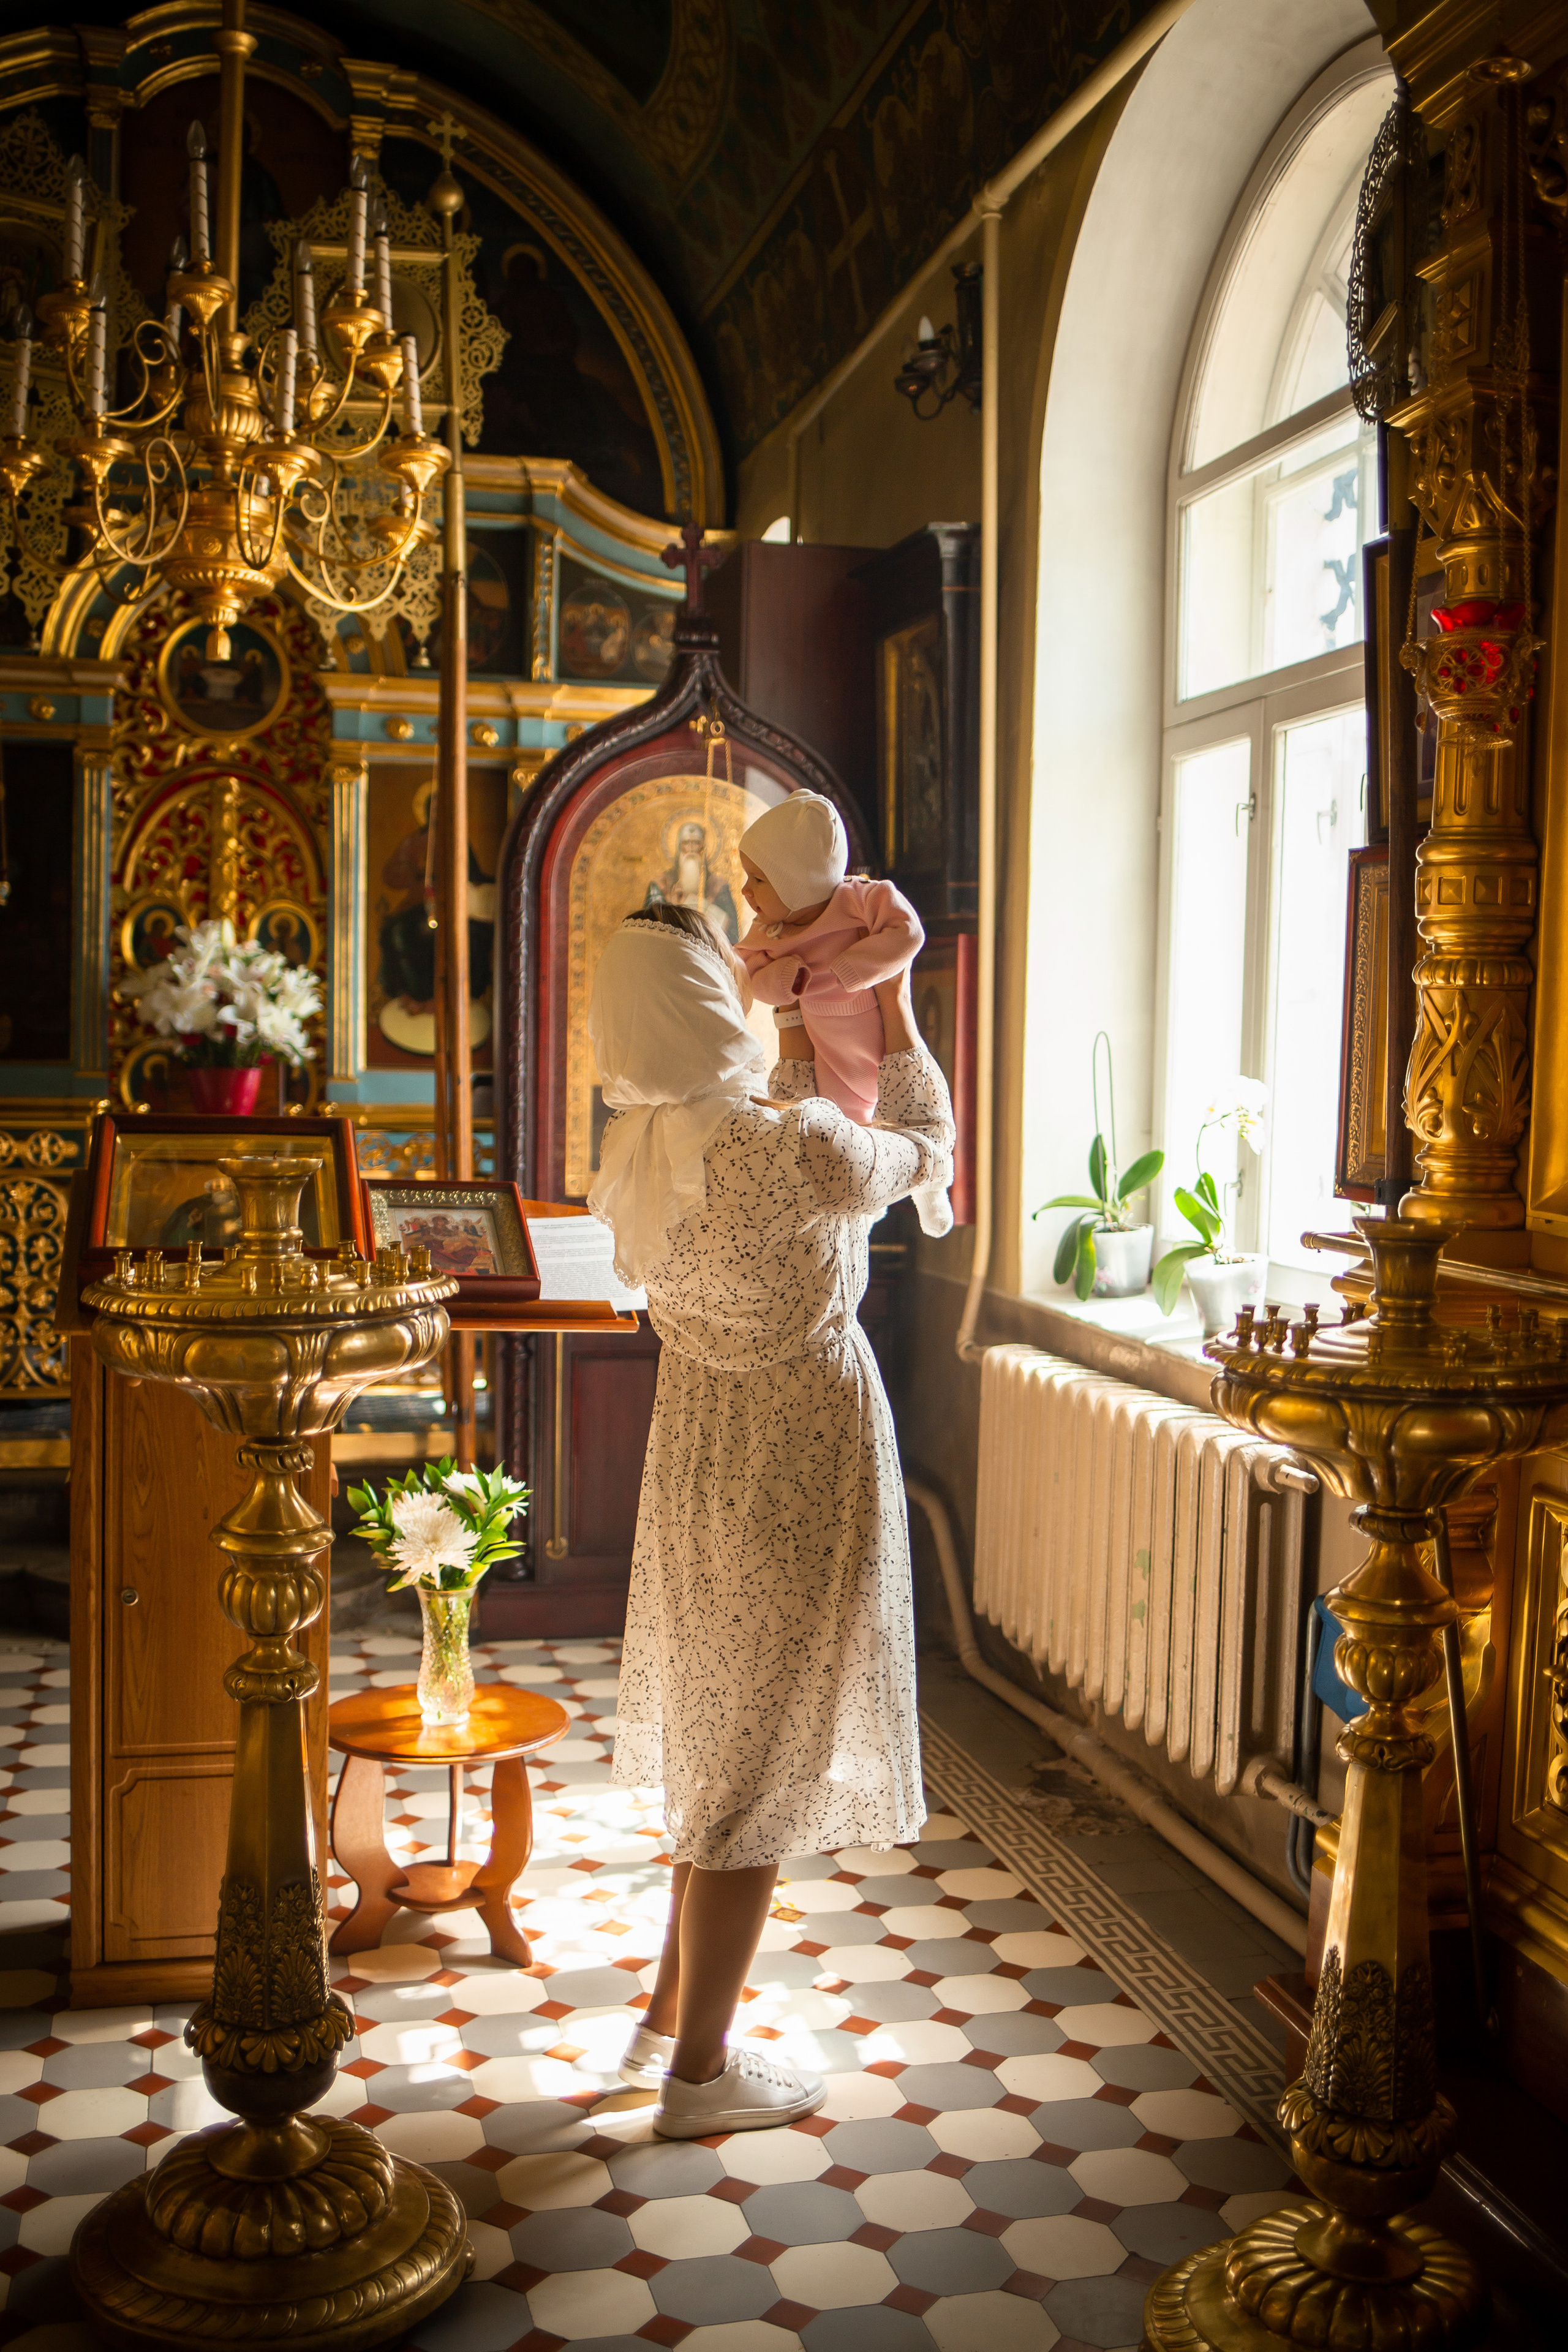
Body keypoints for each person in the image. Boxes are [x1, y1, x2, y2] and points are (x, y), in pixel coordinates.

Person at [587, 900, 954, 2138]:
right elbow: (920, 1140)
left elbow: (797, 1127)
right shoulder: (795, 1147)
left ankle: (662, 2016)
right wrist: (890, 991)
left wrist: (800, 1013)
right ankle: (698, 2077)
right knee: (753, 1768)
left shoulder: (637, 1146)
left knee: (722, 1741)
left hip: (698, 1460)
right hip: (801, 1457)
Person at [735, 790, 953, 1238]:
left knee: (916, 1096)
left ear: (797, 879)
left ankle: (932, 1184)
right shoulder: (769, 930)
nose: (745, 891)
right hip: (827, 1054)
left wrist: (860, 967)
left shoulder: (859, 899)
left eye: (758, 879)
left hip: (878, 1032)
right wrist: (779, 981)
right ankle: (859, 1214)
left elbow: (907, 932)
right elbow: (746, 974)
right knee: (839, 1137)